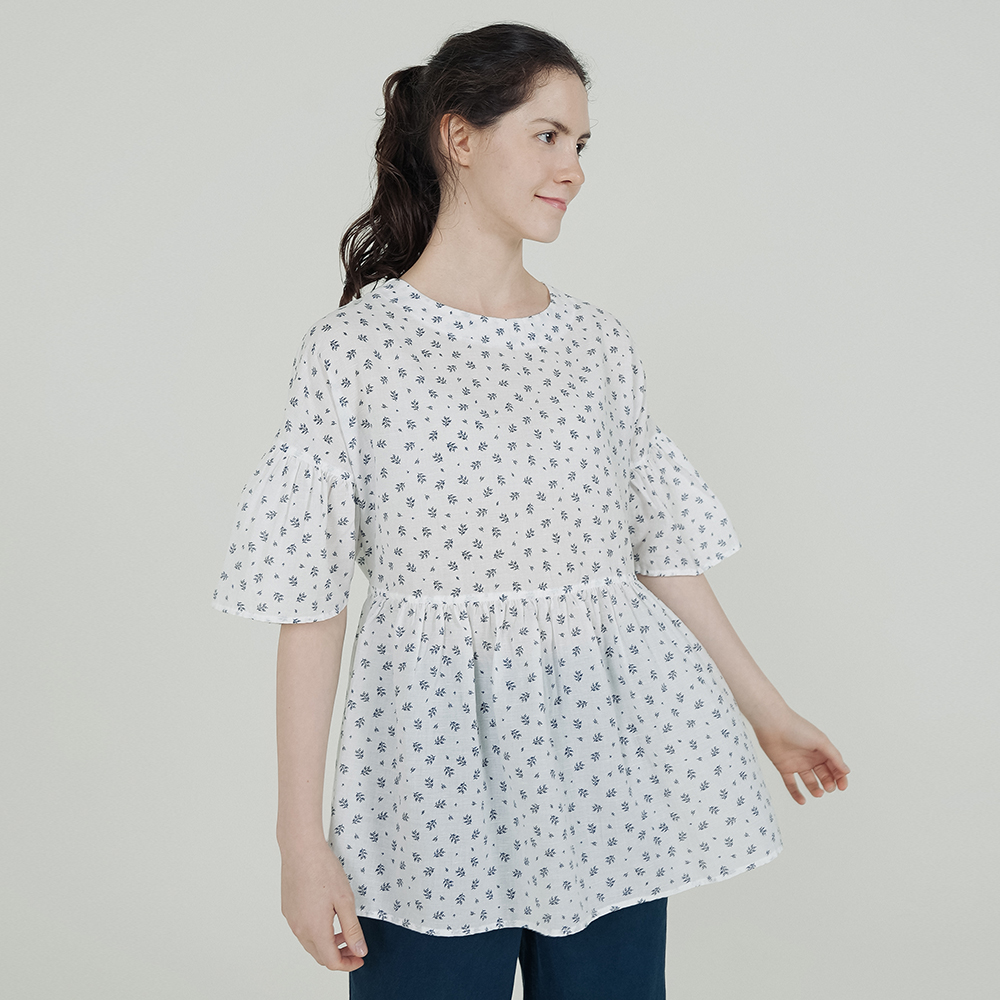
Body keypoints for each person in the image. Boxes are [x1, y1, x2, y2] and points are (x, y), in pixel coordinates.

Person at [211, 21, 850, 1000]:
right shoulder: (355, 352)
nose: (573, 169)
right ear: (459, 137)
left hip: (601, 761)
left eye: (582, 144)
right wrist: (301, 843)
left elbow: (656, 549)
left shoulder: (597, 345)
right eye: (548, 136)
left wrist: (767, 712)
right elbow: (312, 604)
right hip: (428, 779)